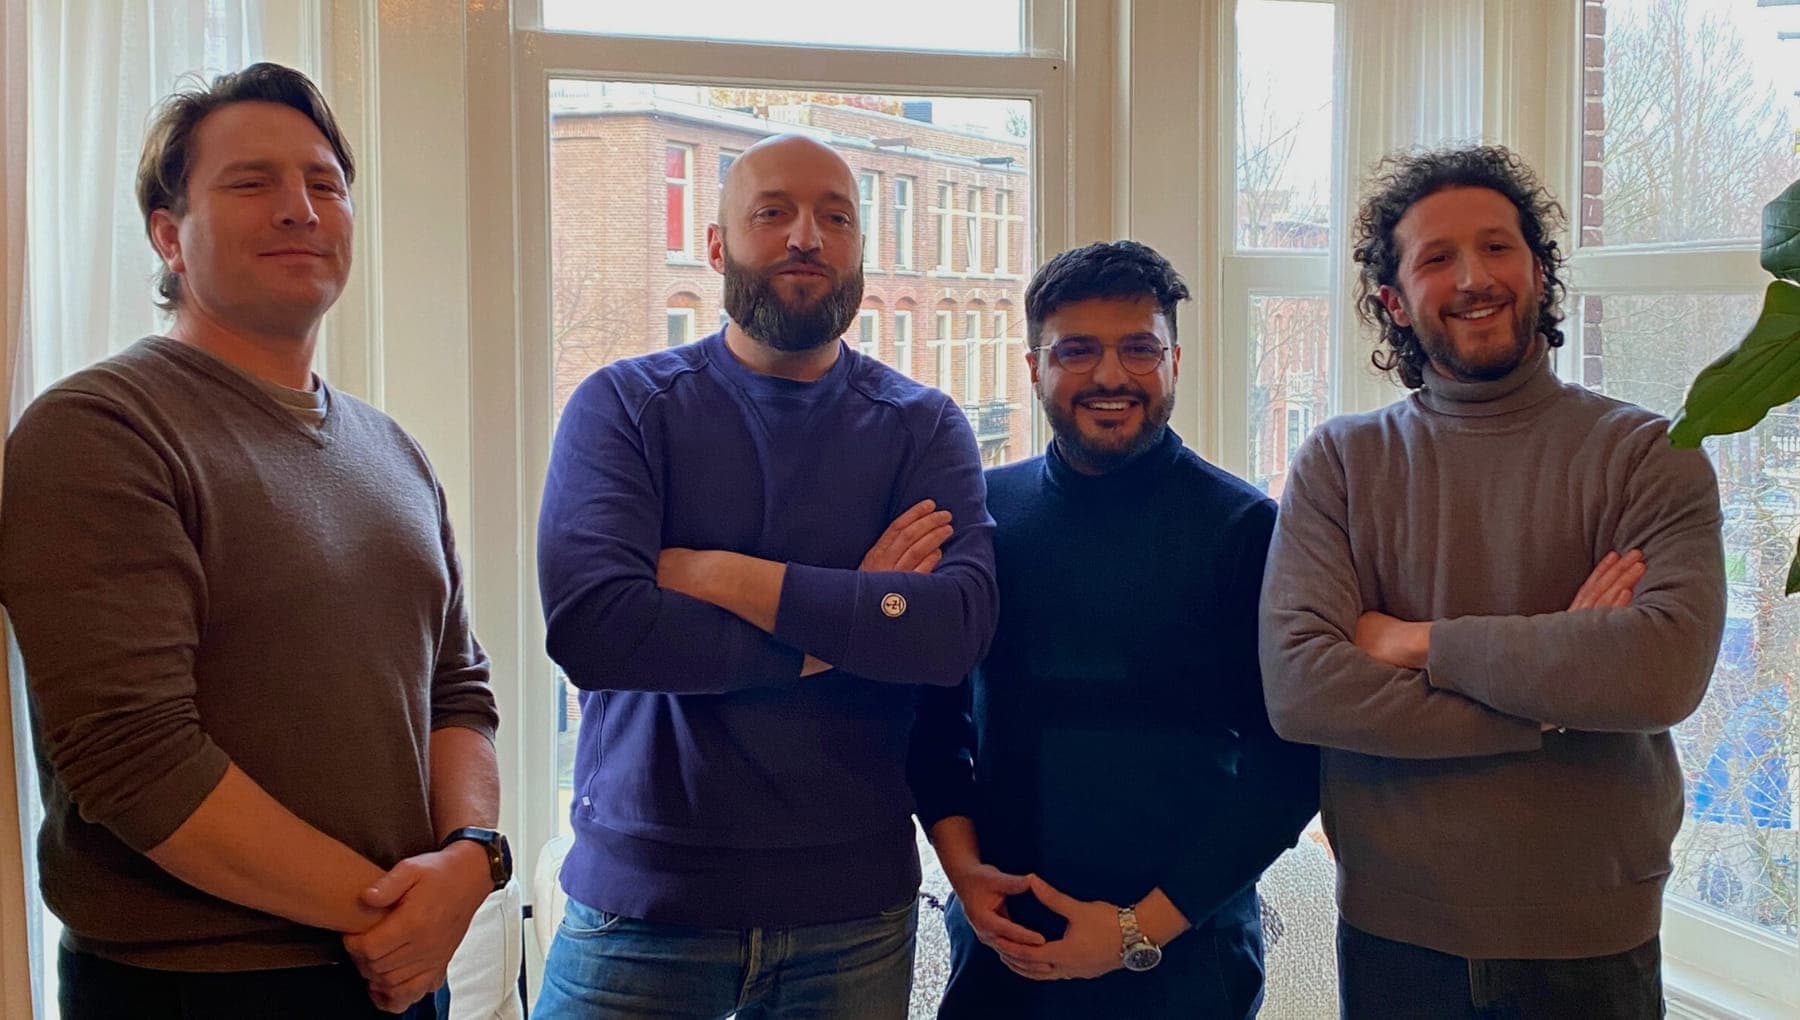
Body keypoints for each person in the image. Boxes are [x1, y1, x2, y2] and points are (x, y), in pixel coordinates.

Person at [0, 63, 506, 1019]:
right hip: (195, 988)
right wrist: (398, 914)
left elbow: (458, 692)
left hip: (398, 973)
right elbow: (135, 759)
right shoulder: (100, 430)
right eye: (251, 182)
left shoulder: (392, 450)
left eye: (324, 184)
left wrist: (472, 860)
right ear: (168, 236)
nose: (299, 209)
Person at [534, 133, 999, 1020]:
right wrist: (853, 619)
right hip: (641, 911)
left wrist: (716, 574)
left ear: (861, 252)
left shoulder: (923, 426)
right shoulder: (624, 407)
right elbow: (597, 631)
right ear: (717, 247)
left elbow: (951, 632)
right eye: (772, 212)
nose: (806, 237)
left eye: (836, 218)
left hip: (853, 919)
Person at [1259, 144, 1726, 1019]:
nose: (1474, 278)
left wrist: (1414, 642)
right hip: (1394, 932)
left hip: (1594, 937)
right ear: (1394, 301)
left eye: (1498, 247)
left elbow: (1660, 672)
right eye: (1437, 258)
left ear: (1540, 271)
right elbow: (1303, 689)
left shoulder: (1647, 455)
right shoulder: (1341, 463)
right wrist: (1553, 699)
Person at [910, 240, 1319, 1019]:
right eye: (1077, 351)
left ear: (1174, 362)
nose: (1109, 375)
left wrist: (1136, 931)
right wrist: (963, 873)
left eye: (1139, 349)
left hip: (1186, 948)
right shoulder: (982, 520)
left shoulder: (1246, 530)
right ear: (1034, 367)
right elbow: (933, 723)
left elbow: (1290, 763)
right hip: (1005, 946)